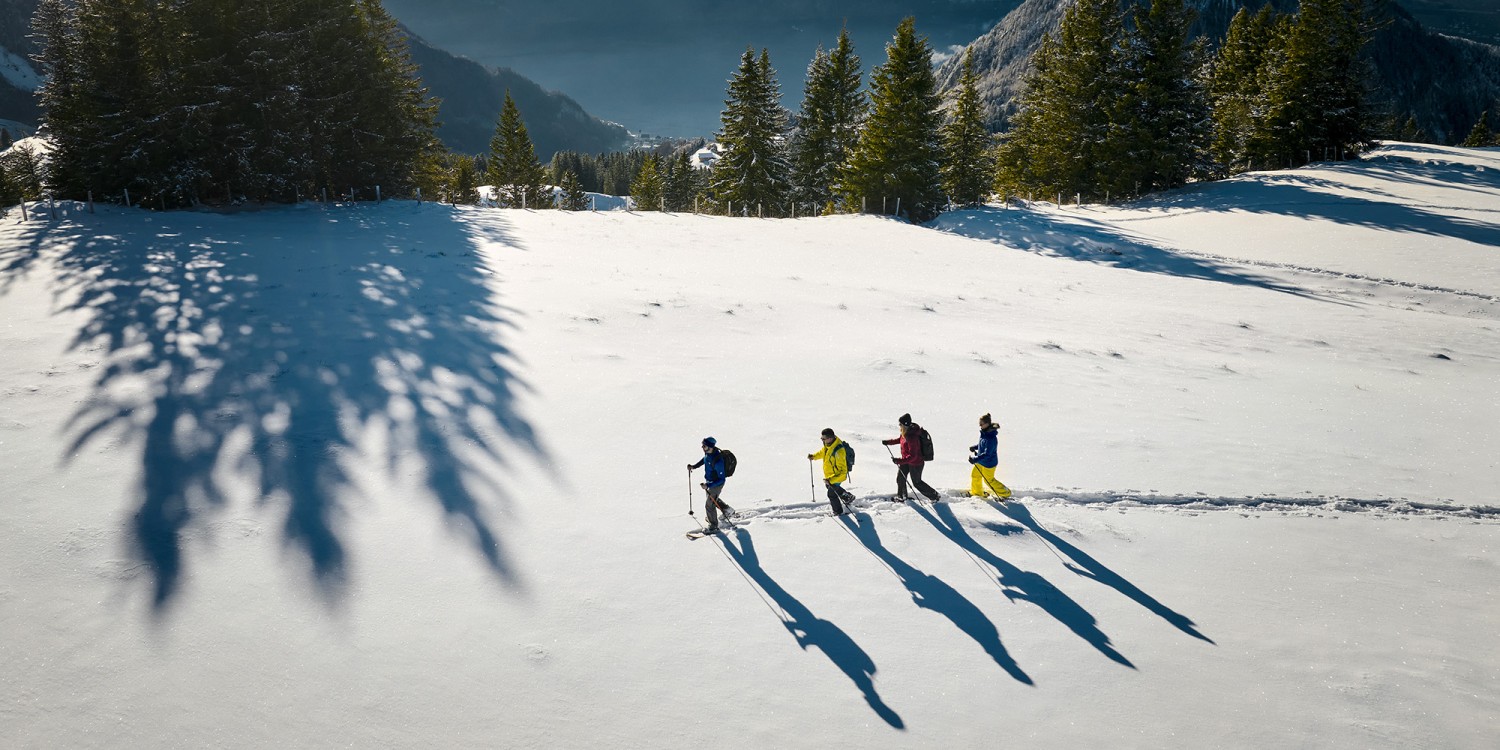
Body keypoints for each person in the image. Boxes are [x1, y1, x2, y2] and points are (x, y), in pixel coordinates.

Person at [882, 413, 939, 503]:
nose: (899, 425)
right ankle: (902, 497)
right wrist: (888, 442)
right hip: (906, 460)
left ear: (905, 425)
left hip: (916, 463)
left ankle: (934, 496)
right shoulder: (905, 432)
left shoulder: (912, 437)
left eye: (900, 424)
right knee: (900, 478)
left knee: (917, 482)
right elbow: (900, 440)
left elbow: (913, 456)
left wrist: (899, 461)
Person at [687, 437, 734, 532]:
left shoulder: (718, 461)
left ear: (710, 447)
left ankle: (713, 526)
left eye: (704, 446)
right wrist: (694, 466)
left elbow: (721, 479)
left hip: (716, 484)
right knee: (712, 499)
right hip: (709, 481)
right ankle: (727, 510)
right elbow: (704, 460)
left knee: (709, 505)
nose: (702, 447)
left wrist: (708, 485)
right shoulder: (708, 453)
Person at [808, 428, 856, 515]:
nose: (822, 439)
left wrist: (831, 480)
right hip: (830, 475)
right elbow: (823, 452)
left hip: (837, 476)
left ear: (830, 438)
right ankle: (848, 497)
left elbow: (843, 471)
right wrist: (814, 456)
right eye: (821, 437)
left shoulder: (839, 451)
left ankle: (838, 512)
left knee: (831, 494)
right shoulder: (828, 445)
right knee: (831, 487)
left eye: (824, 438)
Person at [968, 413, 1012, 499]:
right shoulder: (985, 433)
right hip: (981, 460)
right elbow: (983, 445)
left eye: (981, 424)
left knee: (989, 480)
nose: (980, 426)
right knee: (975, 475)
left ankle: (1005, 493)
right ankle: (977, 493)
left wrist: (975, 459)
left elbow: (987, 454)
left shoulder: (991, 438)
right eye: (979, 424)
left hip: (989, 463)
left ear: (987, 424)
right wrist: (975, 447)